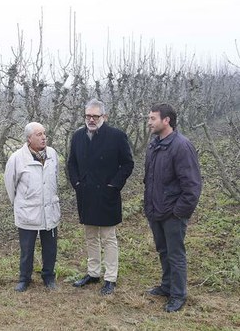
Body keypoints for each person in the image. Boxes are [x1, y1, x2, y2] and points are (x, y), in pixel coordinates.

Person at [67, 98, 134, 295]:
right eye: (88, 116)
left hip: (107, 195)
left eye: (95, 116)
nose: (91, 120)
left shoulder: (116, 136)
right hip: (86, 194)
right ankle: (93, 273)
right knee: (90, 236)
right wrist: (76, 183)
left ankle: (110, 277)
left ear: (104, 116)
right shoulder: (78, 136)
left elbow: (128, 164)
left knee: (108, 237)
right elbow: (72, 163)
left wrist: (114, 185)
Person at [144, 103, 202, 312]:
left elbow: (192, 186)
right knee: (163, 250)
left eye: (153, 118)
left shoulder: (181, 146)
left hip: (172, 214)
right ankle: (167, 286)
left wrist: (178, 213)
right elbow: (150, 179)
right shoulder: (154, 145)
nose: (149, 122)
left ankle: (178, 295)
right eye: (149, 118)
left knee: (176, 254)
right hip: (155, 210)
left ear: (166, 120)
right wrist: (149, 207)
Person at [4, 122, 61, 292]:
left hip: (49, 210)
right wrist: (21, 204)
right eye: (38, 134)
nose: (43, 137)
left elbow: (55, 178)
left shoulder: (52, 154)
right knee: (27, 249)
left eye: (44, 133)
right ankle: (24, 278)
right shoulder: (17, 158)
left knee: (50, 247)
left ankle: (48, 276)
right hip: (28, 212)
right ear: (29, 139)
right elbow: (10, 185)